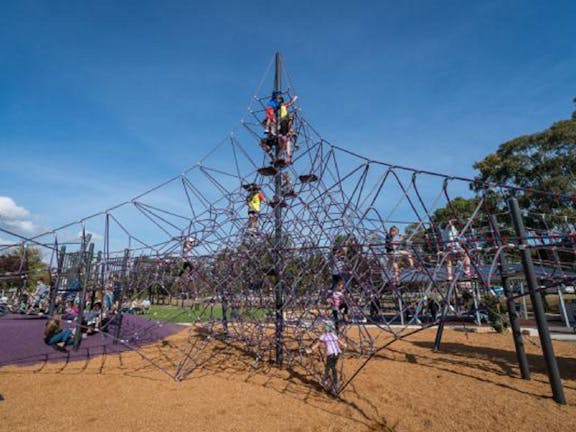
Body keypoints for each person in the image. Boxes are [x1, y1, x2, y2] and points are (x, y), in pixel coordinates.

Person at [307, 320, 347, 394]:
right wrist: (344, 345)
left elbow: (317, 344)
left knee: (330, 368)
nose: (322, 327)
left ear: (326, 328)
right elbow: (339, 341)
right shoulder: (333, 334)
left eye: (324, 326)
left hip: (331, 354)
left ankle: (330, 382)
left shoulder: (323, 336)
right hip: (337, 353)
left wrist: (311, 350)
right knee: (332, 367)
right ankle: (331, 382)